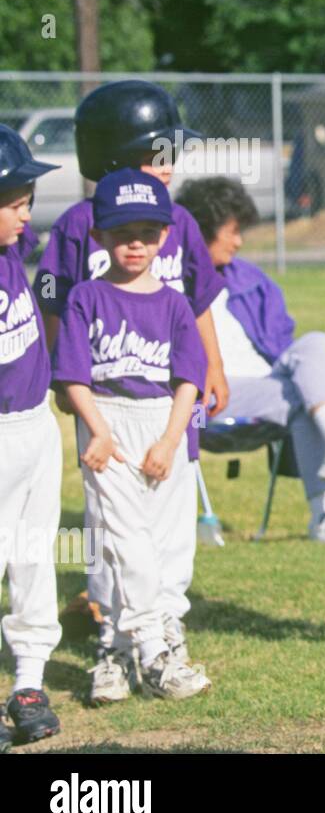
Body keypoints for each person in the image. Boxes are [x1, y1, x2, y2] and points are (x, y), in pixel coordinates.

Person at [37, 81, 227, 689]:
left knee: (169, 510)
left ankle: (166, 624)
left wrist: (214, 367)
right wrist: (61, 378)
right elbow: (53, 307)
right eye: (162, 154)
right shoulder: (76, 227)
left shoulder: (179, 223)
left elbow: (197, 303)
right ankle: (117, 635)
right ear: (121, 156)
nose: (173, 166)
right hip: (103, 397)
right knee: (109, 524)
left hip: (171, 399)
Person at [174, 176, 325, 548]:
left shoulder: (250, 280)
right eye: (232, 232)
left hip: (270, 388)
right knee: (304, 398)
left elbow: (283, 346)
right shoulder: (173, 283)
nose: (239, 241)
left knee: (317, 344)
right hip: (209, 402)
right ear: (202, 229)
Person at [0, 126, 64, 747]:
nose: (26, 213)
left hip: (35, 426)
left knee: (33, 555)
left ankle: (28, 679)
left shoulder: (11, 254)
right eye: (14, 203)